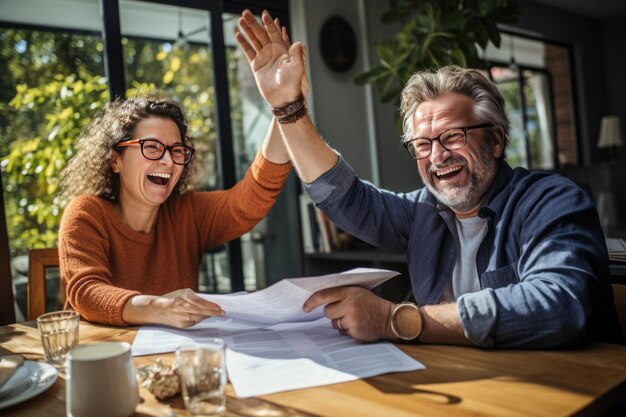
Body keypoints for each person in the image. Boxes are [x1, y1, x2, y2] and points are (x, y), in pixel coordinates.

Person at [235, 10, 623, 348]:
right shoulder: (425, 212)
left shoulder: (552, 201)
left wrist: (397, 320)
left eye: (453, 136)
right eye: (422, 144)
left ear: (497, 139)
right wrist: (288, 108)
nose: (437, 156)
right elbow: (346, 198)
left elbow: (558, 305)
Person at [57, 92, 291, 328]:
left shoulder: (187, 213)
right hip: (102, 358)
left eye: (177, 151)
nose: (168, 161)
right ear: (115, 160)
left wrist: (284, 107)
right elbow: (86, 292)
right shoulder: (85, 213)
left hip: (169, 360)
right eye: (151, 147)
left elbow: (251, 199)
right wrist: (158, 307)